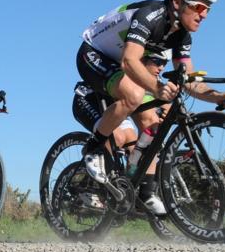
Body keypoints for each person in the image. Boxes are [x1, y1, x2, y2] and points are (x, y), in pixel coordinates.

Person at [76, 0, 225, 215]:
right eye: (200, 6)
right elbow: (130, 61)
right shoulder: (151, 15)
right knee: (132, 95)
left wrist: (217, 96)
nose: (204, 14)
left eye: (208, 10)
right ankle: (93, 148)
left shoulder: (182, 35)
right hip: (95, 53)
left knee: (153, 122)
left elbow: (189, 80)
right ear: (177, 3)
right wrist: (156, 87)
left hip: (123, 63)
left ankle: (146, 192)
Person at [72, 52, 171, 209]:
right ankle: (88, 185)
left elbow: (165, 104)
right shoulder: (131, 72)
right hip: (88, 99)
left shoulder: (152, 81)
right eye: (157, 61)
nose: (162, 67)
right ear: (142, 60)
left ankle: (124, 193)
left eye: (165, 63)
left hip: (112, 108)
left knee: (135, 150)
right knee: (117, 137)